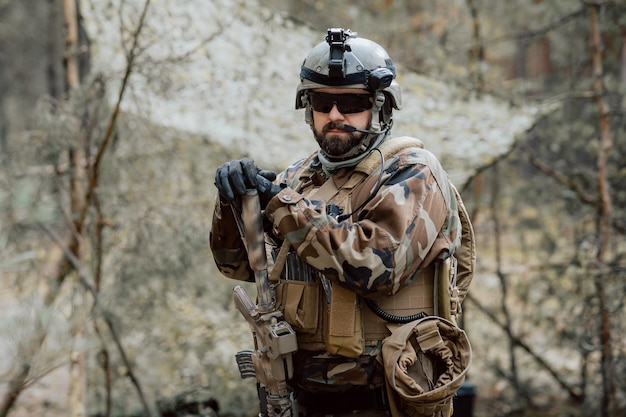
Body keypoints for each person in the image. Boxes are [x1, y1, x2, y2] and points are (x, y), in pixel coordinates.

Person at [210, 28, 471, 417]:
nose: (334, 115)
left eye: (351, 102)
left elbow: (375, 267)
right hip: (302, 400)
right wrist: (235, 202)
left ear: (381, 106)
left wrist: (278, 203)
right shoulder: (300, 178)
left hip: (388, 401)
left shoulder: (413, 173)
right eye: (322, 101)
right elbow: (237, 265)